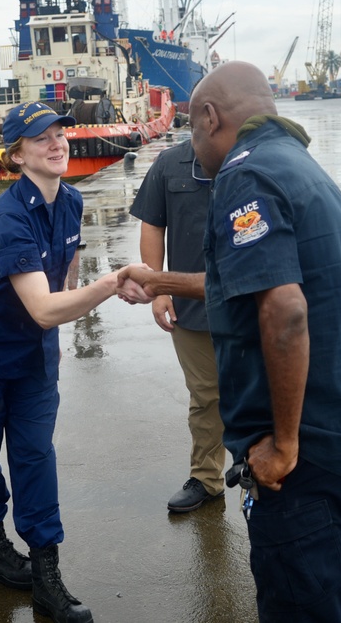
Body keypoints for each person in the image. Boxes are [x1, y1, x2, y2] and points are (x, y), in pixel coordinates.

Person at [118, 61, 341, 622]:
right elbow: (260, 282)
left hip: (314, 464)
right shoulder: (298, 163)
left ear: (209, 116)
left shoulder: (244, 175)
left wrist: (283, 445)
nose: (192, 143)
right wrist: (162, 281)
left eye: (191, 127)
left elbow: (285, 311)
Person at [0, 101, 147, 623]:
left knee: (35, 457)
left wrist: (99, 291)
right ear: (16, 154)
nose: (57, 143)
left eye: (60, 133)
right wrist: (111, 282)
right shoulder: (8, 217)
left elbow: (64, 289)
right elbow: (43, 306)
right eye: (41, 138)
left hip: (33, 358)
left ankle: (47, 577)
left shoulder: (72, 202)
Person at [129, 140, 226, 512]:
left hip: (253, 303)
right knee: (205, 396)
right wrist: (157, 290)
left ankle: (266, 473)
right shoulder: (169, 164)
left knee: (260, 390)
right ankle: (206, 477)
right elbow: (153, 225)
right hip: (190, 306)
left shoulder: (251, 157)